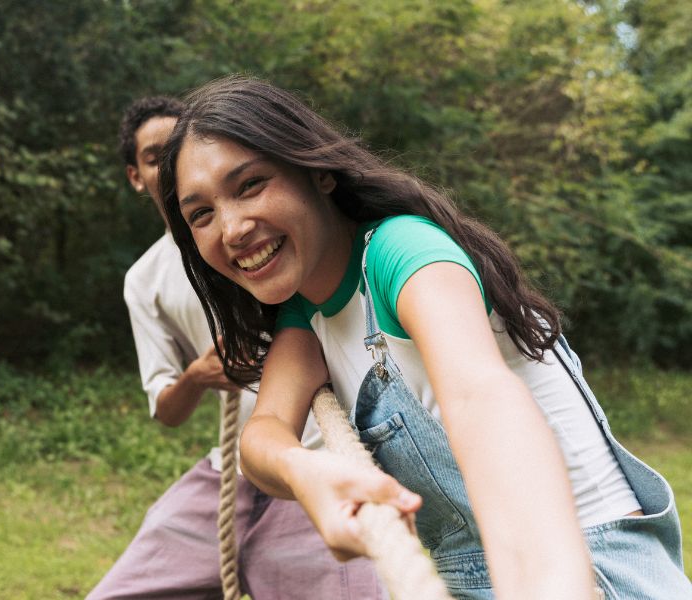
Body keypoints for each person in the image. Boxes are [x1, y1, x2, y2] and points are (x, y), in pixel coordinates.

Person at [157, 76, 692, 599]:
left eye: (250, 185)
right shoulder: (304, 314)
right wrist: (305, 472)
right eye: (201, 213)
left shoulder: (401, 251)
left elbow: (478, 393)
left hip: (584, 570)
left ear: (315, 172)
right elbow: (264, 432)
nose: (231, 228)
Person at [85, 96, 386, 599]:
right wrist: (200, 374)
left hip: (316, 459)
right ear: (135, 176)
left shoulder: (272, 241)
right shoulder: (151, 278)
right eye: (155, 157)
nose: (233, 229)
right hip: (230, 471)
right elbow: (165, 409)